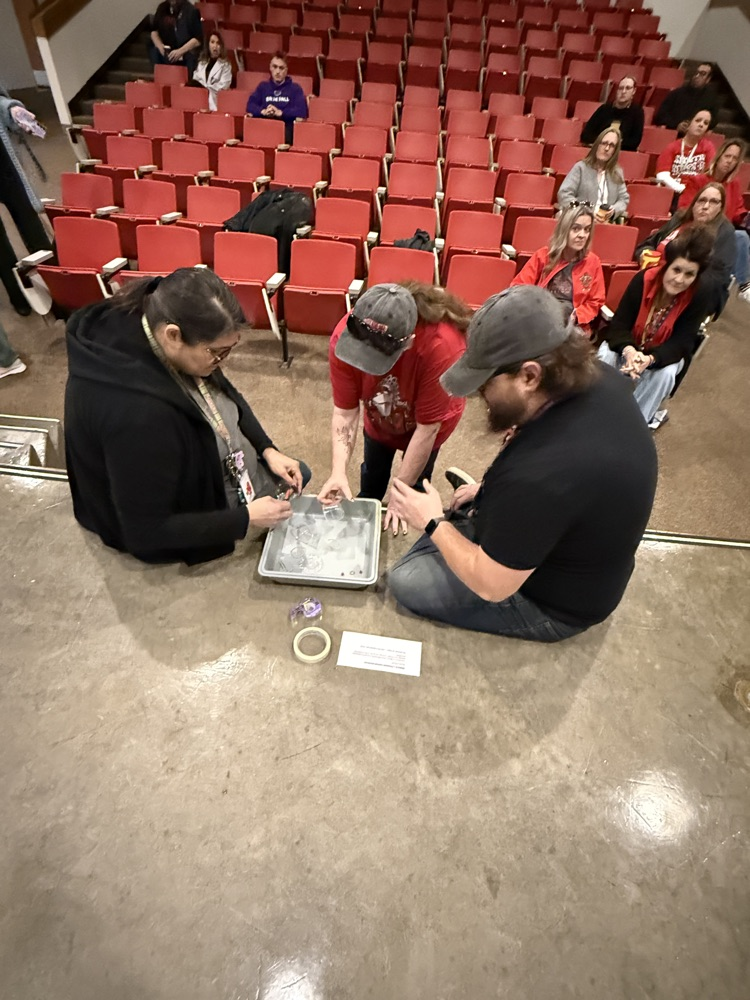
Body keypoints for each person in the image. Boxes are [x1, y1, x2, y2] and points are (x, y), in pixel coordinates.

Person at [385, 285, 657, 642]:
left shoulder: (542, 475)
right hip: (581, 553)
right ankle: (476, 514)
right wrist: (488, 491)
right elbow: (565, 488)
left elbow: (492, 586)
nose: (481, 396)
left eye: (485, 384)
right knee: (464, 519)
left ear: (530, 376)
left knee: (406, 579)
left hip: (555, 604)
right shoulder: (598, 378)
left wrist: (432, 522)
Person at [64, 268, 309, 565]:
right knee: (284, 503)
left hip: (198, 461)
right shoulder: (138, 418)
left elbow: (224, 393)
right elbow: (145, 530)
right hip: (164, 515)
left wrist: (267, 449)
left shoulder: (157, 316)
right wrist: (245, 518)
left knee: (299, 474)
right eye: (217, 353)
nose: (221, 362)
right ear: (173, 336)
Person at [317, 282, 469, 534]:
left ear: (407, 343)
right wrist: (338, 471)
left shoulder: (442, 345)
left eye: (374, 360)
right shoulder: (344, 335)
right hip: (380, 414)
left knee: (417, 480)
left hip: (427, 422)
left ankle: (411, 493)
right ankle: (372, 497)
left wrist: (401, 492)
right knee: (374, 468)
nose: (364, 367)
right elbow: (345, 412)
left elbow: (427, 429)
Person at [598, 228, 715, 426]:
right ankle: (595, 411)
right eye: (676, 270)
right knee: (605, 355)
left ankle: (633, 425)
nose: (680, 280)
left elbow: (683, 342)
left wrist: (650, 359)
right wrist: (629, 351)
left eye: (689, 274)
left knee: (666, 374)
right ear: (665, 266)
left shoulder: (700, 294)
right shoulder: (642, 280)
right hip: (629, 344)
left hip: (662, 353)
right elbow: (619, 325)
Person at [636, 182, 735, 313]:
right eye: (702, 200)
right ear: (694, 203)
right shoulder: (679, 218)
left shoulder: (724, 232)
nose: (705, 206)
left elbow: (715, 278)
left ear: (720, 208)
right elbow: (648, 244)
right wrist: (644, 254)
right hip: (650, 277)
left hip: (682, 291)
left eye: (713, 202)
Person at [510, 204, 605, 336]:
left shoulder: (593, 262)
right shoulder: (543, 256)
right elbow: (518, 287)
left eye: (587, 229)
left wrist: (577, 316)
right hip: (541, 317)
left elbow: (595, 301)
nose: (582, 235)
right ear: (564, 230)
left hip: (573, 323)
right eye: (576, 229)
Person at [0, 83, 52, 317]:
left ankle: (52, 281)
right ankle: (18, 293)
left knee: (30, 221)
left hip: (2, 161)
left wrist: (10, 109)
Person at [678, 139, 750, 304]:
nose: (729, 161)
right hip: (697, 230)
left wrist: (745, 216)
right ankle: (744, 285)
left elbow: (738, 210)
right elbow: (684, 210)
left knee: (739, 237)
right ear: (719, 156)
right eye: (727, 156)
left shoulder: (733, 185)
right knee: (741, 238)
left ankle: (719, 295)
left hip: (722, 235)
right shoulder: (698, 180)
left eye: (734, 159)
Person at [557, 128, 629, 221]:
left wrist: (613, 211)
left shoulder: (617, 172)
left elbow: (623, 199)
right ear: (596, 145)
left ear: (615, 151)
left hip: (606, 223)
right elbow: (564, 195)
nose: (606, 148)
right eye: (604, 143)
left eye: (611, 145)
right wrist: (584, 211)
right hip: (579, 221)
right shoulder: (580, 168)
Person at [246, 52, 308, 145]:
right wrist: (263, 111)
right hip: (264, 128)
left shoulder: (295, 89)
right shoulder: (263, 87)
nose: (277, 71)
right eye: (275, 67)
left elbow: (302, 111)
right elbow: (250, 106)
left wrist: (281, 113)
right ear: (270, 68)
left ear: (286, 70)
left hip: (285, 131)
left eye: (281, 68)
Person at [654, 110, 715, 193]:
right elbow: (662, 175)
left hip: (696, 193)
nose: (701, 125)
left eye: (705, 123)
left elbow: (711, 173)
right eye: (698, 120)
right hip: (673, 191)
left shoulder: (708, 147)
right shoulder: (672, 147)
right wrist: (681, 189)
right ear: (688, 124)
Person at [580, 76, 644, 152]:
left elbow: (634, 142)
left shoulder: (637, 112)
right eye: (621, 88)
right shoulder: (604, 109)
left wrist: (612, 144)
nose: (623, 91)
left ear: (634, 91)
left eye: (628, 88)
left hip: (622, 154)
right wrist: (604, 142)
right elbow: (585, 135)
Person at [654, 63, 719, 133]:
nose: (697, 76)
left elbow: (713, 121)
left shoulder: (711, 99)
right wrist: (676, 125)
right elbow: (660, 116)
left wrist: (695, 125)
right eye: (696, 72)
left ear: (708, 79)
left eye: (702, 74)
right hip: (673, 133)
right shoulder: (676, 94)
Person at [149, 0, 203, 77]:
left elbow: (198, 39)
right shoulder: (162, 8)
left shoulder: (191, 10)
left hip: (184, 51)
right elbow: (154, 32)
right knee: (154, 51)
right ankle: (160, 81)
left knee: (191, 56)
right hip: (166, 50)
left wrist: (180, 51)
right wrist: (160, 47)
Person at [192, 31, 232, 112]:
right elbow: (195, 79)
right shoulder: (202, 63)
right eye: (212, 42)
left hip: (215, 103)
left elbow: (224, 86)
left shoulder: (226, 65)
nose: (215, 46)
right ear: (208, 45)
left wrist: (205, 89)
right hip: (198, 100)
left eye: (218, 43)